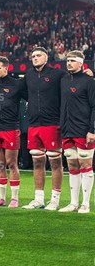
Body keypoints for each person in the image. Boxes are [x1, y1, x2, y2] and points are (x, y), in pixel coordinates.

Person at [20, 46, 65, 210]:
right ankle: (39, 199)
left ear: (46, 58)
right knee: (37, 162)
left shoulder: (57, 74)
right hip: (34, 124)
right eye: (33, 56)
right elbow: (22, 92)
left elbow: (70, 83)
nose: (35, 58)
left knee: (55, 162)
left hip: (52, 124)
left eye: (39, 55)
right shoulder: (29, 75)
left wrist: (87, 74)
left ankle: (55, 199)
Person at [59, 50, 95, 213]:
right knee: (72, 164)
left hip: (83, 130)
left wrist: (92, 130)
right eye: (67, 60)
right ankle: (73, 203)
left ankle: (85, 203)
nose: (69, 63)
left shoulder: (89, 81)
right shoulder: (64, 80)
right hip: (67, 129)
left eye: (72, 60)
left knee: (86, 164)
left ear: (81, 63)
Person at [0, 56, 22, 208]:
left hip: (10, 128)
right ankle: (1, 198)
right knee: (0, 164)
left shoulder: (17, 84)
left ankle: (14, 199)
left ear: (6, 69)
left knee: (11, 163)